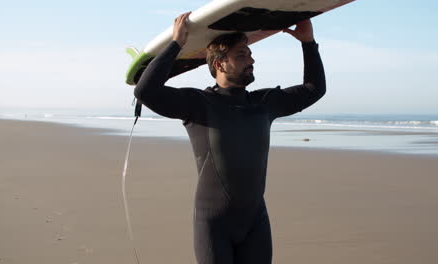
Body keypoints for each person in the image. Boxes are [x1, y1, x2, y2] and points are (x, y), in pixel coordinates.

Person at [134, 11, 325, 264]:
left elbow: (315, 88)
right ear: (219, 64)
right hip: (213, 226)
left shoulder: (265, 103)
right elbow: (145, 91)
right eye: (241, 55)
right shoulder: (198, 104)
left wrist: (308, 43)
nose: (251, 60)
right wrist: (176, 44)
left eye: (250, 53)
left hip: (255, 223)